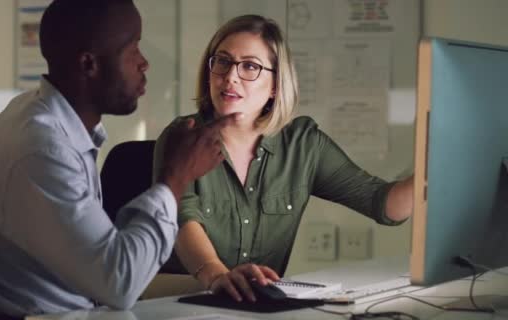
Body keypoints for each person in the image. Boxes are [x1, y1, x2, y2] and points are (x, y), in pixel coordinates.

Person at [0, 0, 242, 318]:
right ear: (89, 64)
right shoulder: (42, 151)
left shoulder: (36, 114)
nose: (145, 63)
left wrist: (216, 278)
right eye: (133, 49)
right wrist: (174, 178)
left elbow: (107, 263)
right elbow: (119, 283)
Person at [153, 14, 413, 303]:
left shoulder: (302, 145)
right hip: (179, 301)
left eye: (250, 66)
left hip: (255, 306)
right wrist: (217, 275)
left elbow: (382, 203)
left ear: (276, 85)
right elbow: (183, 220)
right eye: (223, 62)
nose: (230, 77)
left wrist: (432, 167)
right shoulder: (182, 136)